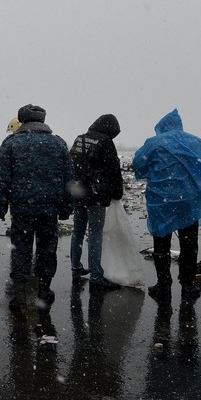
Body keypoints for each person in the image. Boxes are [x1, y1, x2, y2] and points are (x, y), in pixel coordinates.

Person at [132, 109, 201, 301]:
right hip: (188, 202)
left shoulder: (154, 143)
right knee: (189, 243)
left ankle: (164, 285)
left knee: (161, 244)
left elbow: (139, 165)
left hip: (162, 202)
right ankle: (188, 285)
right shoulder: (196, 143)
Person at [0, 104, 74, 309]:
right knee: (47, 249)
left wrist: (0, 207)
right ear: (43, 120)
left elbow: (2, 178)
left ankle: (20, 294)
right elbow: (68, 179)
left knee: (21, 249)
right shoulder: (58, 143)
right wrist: (66, 207)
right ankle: (44, 290)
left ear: (22, 120)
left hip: (22, 208)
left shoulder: (11, 143)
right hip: (49, 208)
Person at [68, 114, 123, 290]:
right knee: (95, 234)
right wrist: (117, 192)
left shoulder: (80, 139)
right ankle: (96, 276)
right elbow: (113, 170)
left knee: (77, 231)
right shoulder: (105, 142)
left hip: (79, 193)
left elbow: (71, 164)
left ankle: (76, 268)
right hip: (96, 195)